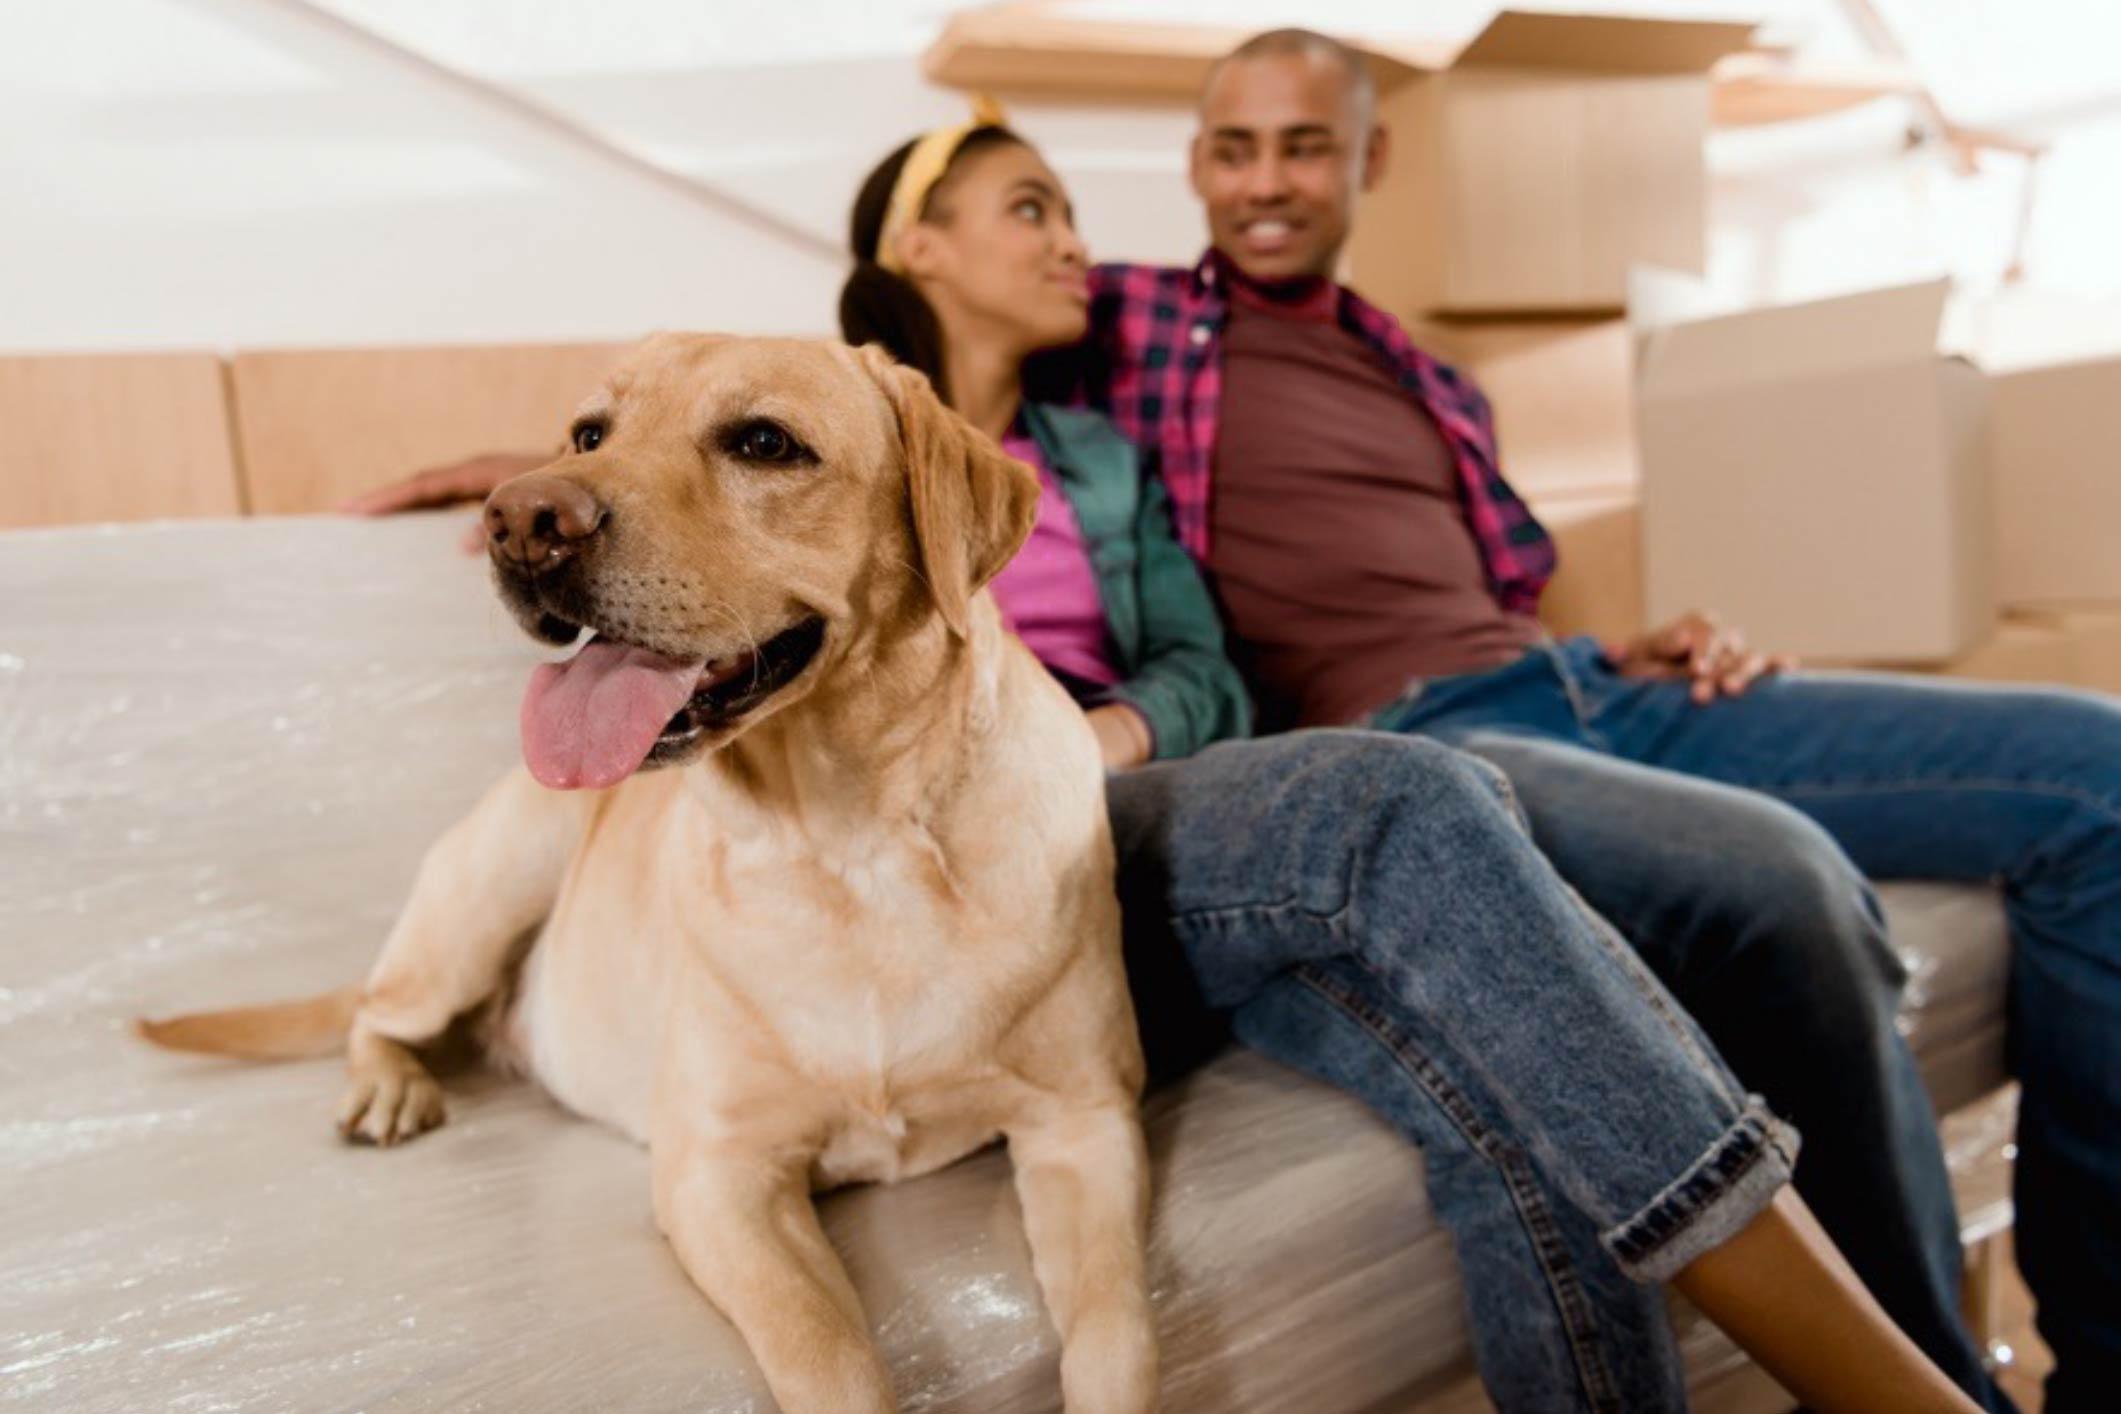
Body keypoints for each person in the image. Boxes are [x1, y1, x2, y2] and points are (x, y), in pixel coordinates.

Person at [346, 107, 1987, 1414]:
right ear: (916, 246)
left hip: (1076, 784)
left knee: (1720, 887)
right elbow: (658, 455)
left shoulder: (1104, 445)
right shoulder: (790, 397)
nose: (1079, 243)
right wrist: (555, 489)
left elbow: (1210, 662)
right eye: (1030, 211)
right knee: (1429, 829)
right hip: (1002, 807)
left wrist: (1106, 728)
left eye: (1075, 212)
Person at [1046, 26, 2121, 1412]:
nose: (1265, 180)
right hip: (1424, 743)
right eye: (1234, 146)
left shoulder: (1430, 381)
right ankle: (1928, 1387)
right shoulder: (1119, 332)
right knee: (1780, 877)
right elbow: (932, 335)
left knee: (2094, 765)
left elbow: (1479, 599)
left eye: (1303, 145)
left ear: (1365, 159)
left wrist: (1629, 642)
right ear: (1193, 163)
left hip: (1581, 688)